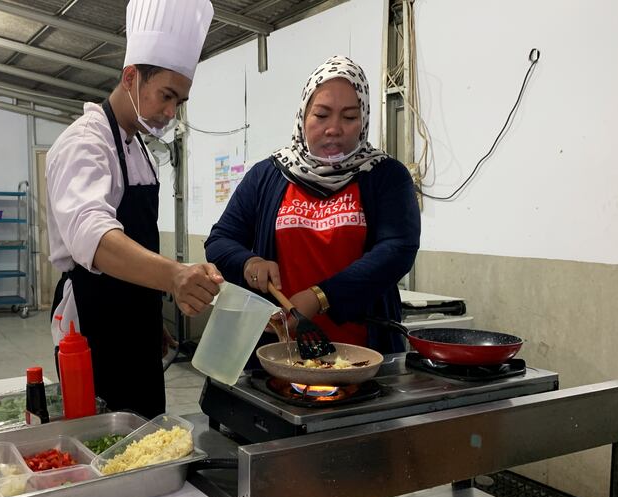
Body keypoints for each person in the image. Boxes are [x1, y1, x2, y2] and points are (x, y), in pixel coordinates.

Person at [47, 0, 222, 419]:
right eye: (166, 95)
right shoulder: (85, 143)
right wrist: (176, 275)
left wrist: (149, 317)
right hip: (94, 326)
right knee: (107, 440)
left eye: (179, 100)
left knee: (146, 429)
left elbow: (135, 238)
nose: (170, 111)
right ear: (131, 77)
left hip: (134, 323)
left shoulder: (137, 146)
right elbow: (95, 238)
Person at [205, 55, 420, 357]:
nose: (334, 128)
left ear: (364, 119)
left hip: (363, 356)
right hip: (280, 354)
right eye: (321, 115)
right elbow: (220, 240)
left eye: (348, 117)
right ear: (303, 115)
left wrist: (320, 297)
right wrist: (249, 263)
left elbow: (397, 249)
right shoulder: (269, 174)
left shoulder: (385, 176)